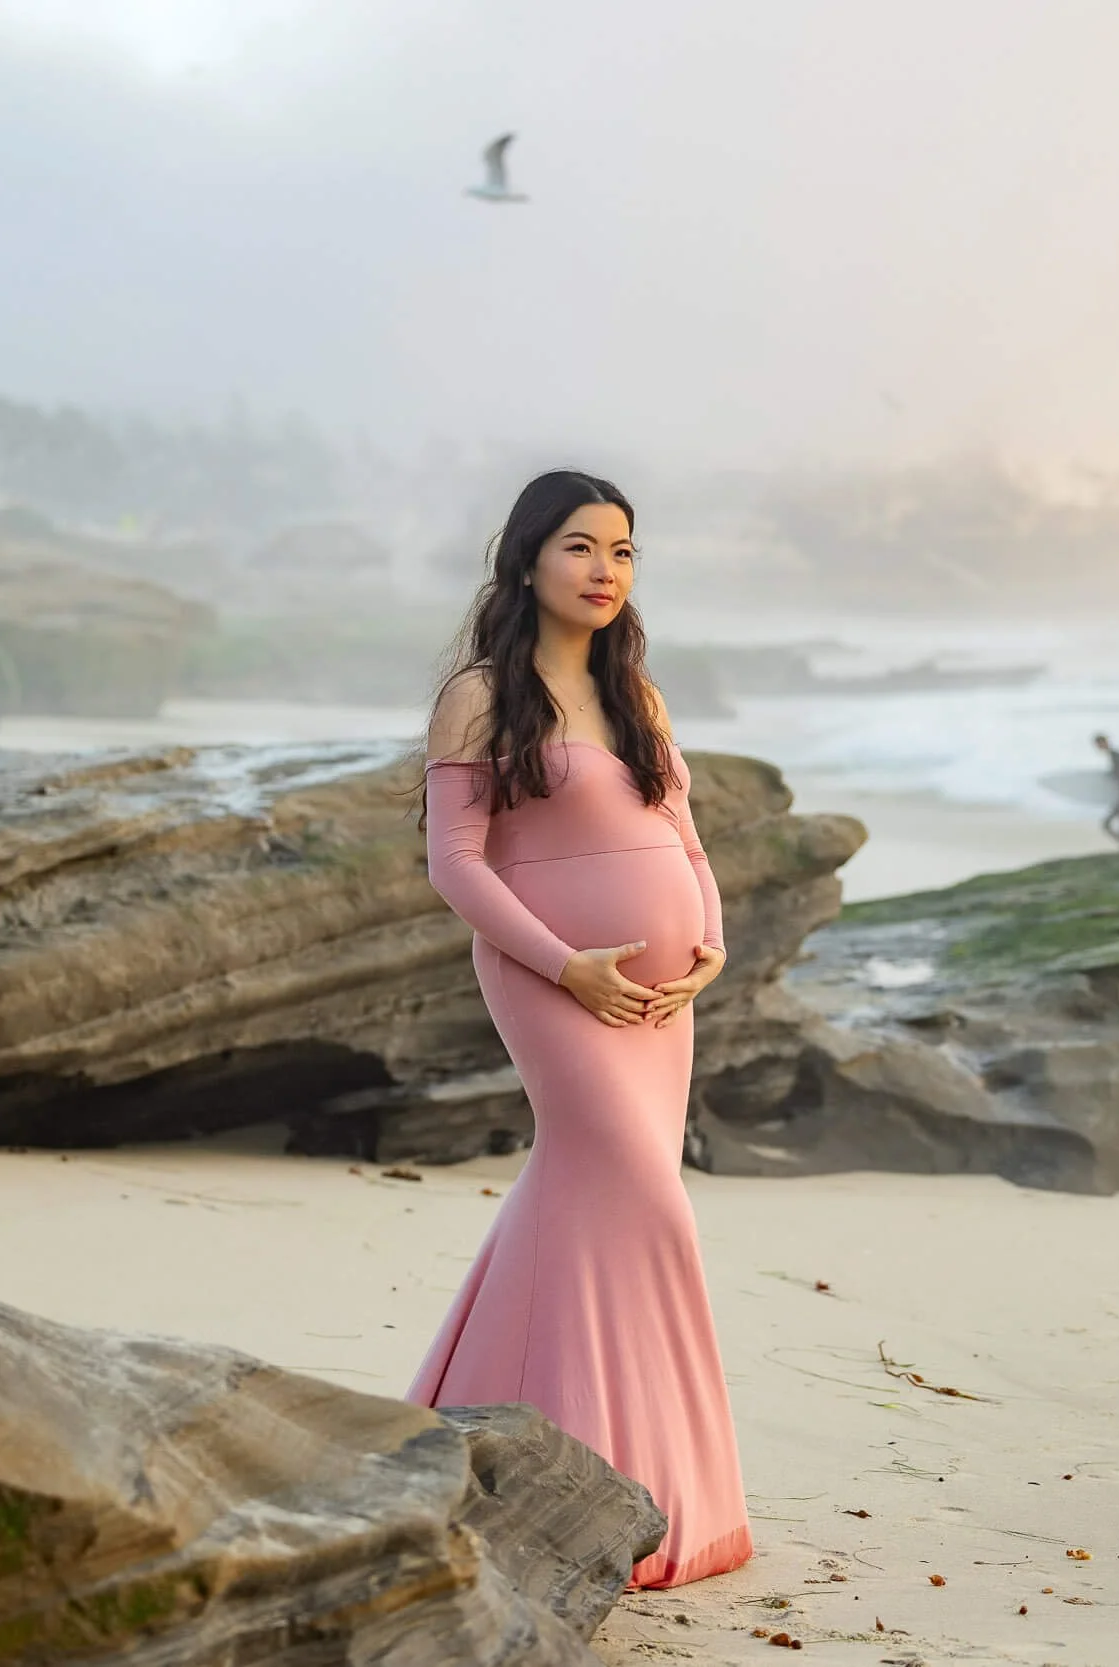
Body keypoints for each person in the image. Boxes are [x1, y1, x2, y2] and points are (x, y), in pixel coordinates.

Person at [407, 469, 753, 1590]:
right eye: (579, 547)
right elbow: (454, 863)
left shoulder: (635, 693)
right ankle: (597, 1470)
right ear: (525, 561)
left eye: (623, 550)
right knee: (645, 1204)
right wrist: (566, 964)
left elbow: (685, 840)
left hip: (661, 1002)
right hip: (551, 980)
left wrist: (706, 944)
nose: (606, 569)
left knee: (584, 1197)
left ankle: (517, 1456)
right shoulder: (477, 695)